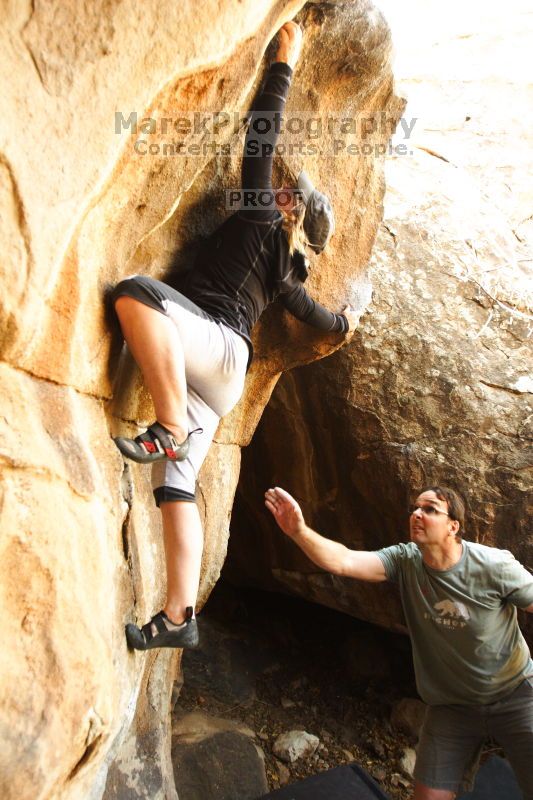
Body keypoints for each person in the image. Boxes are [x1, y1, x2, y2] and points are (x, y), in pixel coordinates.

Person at [111, 21, 358, 652]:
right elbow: (321, 318)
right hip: (222, 374)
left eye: (281, 189)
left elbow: (261, 134)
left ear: (285, 203)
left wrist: (284, 63)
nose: (274, 184)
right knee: (177, 487)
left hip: (212, 346)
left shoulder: (259, 217)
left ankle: (167, 425)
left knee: (136, 295)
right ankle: (178, 615)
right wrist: (348, 322)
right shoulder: (285, 277)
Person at [265, 484, 533, 800]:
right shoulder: (405, 560)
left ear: (453, 526)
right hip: (452, 706)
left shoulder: (492, 566)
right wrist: (298, 530)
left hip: (514, 694)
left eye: (430, 509)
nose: (417, 514)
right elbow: (344, 561)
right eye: (415, 508)